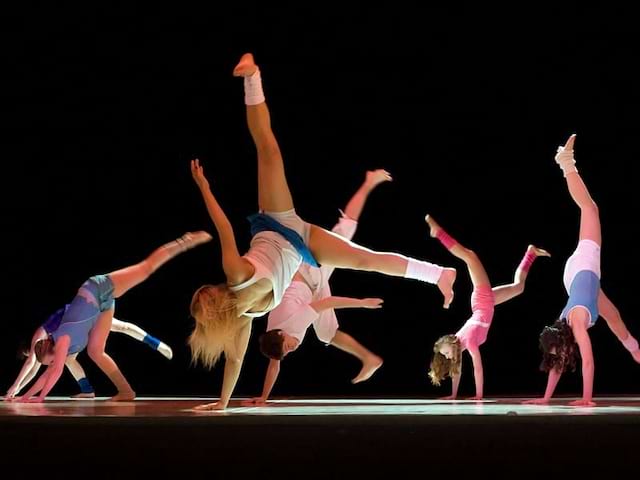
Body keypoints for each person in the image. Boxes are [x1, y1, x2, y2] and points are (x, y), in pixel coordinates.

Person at [188, 53, 456, 411]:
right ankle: (440, 273)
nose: (208, 301)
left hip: (277, 223)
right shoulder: (245, 319)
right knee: (365, 260)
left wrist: (204, 187)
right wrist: (222, 404)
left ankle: (252, 76)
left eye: (205, 298)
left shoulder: (236, 276)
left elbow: (223, 227)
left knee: (268, 151)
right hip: (303, 247)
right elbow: (235, 362)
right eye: (205, 307)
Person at [5, 231, 211, 403]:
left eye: (48, 362)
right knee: (95, 351)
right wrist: (26, 397)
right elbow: (49, 373)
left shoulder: (60, 340)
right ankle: (126, 391)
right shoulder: (63, 348)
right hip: (97, 309)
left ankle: (184, 241)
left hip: (96, 288)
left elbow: (53, 371)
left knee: (146, 268)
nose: (48, 366)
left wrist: (36, 397)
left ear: (48, 350)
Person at [245, 169, 391, 406]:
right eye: (289, 351)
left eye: (288, 347)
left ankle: (368, 182)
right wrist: (263, 397)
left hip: (309, 273)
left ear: (282, 334)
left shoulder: (293, 325)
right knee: (325, 334)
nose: (293, 348)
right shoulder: (274, 336)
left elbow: (328, 303)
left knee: (344, 234)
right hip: (310, 286)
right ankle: (369, 359)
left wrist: (361, 303)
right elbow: (274, 364)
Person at [523, 134, 640, 407]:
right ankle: (635, 349)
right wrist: (545, 398)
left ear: (563, 339)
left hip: (583, 269)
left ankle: (566, 163)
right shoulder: (563, 328)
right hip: (578, 281)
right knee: (614, 318)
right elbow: (556, 364)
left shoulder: (575, 323)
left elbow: (588, 359)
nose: (561, 357)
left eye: (559, 352)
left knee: (590, 209)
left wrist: (587, 399)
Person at [427, 215, 549, 399]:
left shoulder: (467, 340)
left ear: (451, 343)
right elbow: (457, 372)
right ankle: (530, 254)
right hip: (486, 303)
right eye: (445, 355)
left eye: (446, 352)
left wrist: (478, 395)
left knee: (470, 256)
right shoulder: (461, 347)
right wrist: (453, 395)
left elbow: (478, 367)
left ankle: (439, 234)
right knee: (519, 287)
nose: (448, 356)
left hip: (482, 300)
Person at [5, 307, 173, 399]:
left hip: (83, 317)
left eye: (30, 355)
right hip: (77, 329)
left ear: (28, 348)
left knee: (121, 327)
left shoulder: (38, 337)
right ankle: (87, 390)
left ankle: (156, 343)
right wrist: (18, 390)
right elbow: (34, 368)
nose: (33, 357)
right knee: (69, 360)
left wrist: (15, 387)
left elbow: (31, 365)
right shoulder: (45, 340)